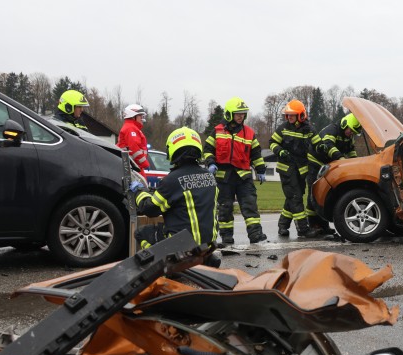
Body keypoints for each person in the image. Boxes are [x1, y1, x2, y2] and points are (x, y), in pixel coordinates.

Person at [130, 127, 220, 267]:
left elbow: (150, 209)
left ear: (173, 150)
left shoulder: (172, 180)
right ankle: (205, 258)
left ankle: (164, 265)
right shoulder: (209, 176)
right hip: (208, 243)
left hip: (182, 247)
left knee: (141, 233)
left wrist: (138, 192)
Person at [203, 97, 267, 244]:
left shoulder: (249, 133)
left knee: (250, 206)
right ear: (229, 114)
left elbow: (256, 154)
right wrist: (211, 163)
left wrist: (261, 169)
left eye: (243, 113)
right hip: (223, 178)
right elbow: (207, 150)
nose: (241, 116)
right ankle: (226, 237)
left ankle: (256, 235)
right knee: (225, 208)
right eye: (238, 113)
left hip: (243, 178)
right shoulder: (217, 131)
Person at [269, 99, 322, 238]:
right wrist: (279, 151)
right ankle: (303, 229)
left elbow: (317, 143)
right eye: (288, 115)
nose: (289, 117)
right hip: (286, 169)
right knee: (295, 197)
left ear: (301, 115)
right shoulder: (283, 128)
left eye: (292, 115)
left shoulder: (308, 128)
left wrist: (323, 147)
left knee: (292, 198)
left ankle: (282, 226)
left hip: (301, 170)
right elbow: (272, 142)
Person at [306, 113, 362, 232]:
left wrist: (356, 164)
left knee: (325, 194)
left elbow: (351, 151)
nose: (351, 134)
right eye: (350, 131)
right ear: (344, 124)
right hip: (316, 163)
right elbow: (328, 145)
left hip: (328, 166)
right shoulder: (332, 130)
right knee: (314, 192)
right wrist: (340, 158)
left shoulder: (348, 137)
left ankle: (323, 225)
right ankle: (312, 224)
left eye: (353, 132)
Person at [117, 104, 150, 171]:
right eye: (140, 116)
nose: (142, 118)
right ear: (133, 116)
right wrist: (144, 163)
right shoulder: (130, 128)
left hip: (134, 166)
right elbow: (134, 148)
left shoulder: (131, 128)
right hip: (133, 167)